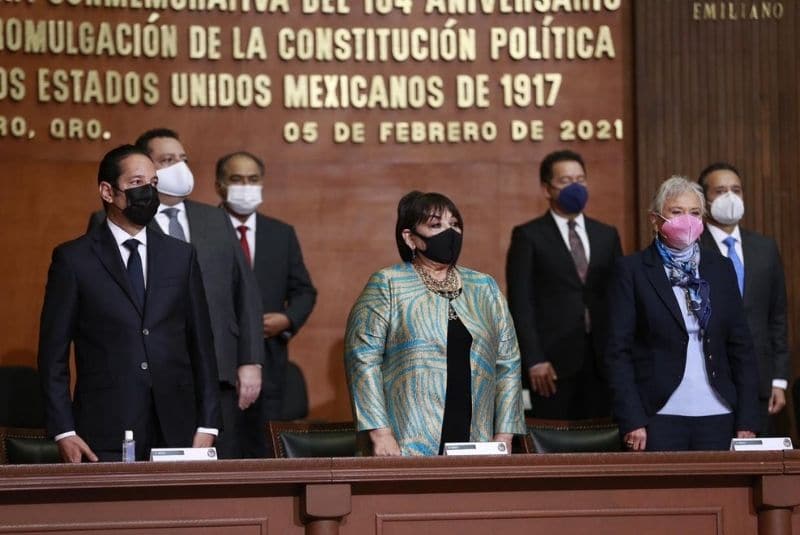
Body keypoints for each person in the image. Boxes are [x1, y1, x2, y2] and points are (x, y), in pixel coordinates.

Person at [88, 129, 264, 459]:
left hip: (218, 369)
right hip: (152, 372)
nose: (179, 168)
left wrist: (250, 359)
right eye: (167, 160)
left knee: (219, 468)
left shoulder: (216, 218)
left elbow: (246, 292)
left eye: (183, 159)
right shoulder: (112, 221)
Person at [38, 144, 221, 462]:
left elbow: (202, 347)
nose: (148, 193)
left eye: (152, 184)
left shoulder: (181, 256)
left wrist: (208, 423)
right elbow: (53, 355)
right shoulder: (74, 259)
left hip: (179, 428)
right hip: (103, 428)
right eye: (137, 184)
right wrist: (63, 430)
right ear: (108, 191)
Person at [344, 191, 525, 456]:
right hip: (405, 439)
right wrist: (380, 433)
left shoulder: (484, 287)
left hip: (477, 439)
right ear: (410, 238)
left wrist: (504, 436)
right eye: (435, 225)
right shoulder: (389, 283)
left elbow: (508, 364)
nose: (449, 232)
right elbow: (362, 359)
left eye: (454, 224)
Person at [606, 176, 760, 451]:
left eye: (695, 213)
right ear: (656, 220)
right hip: (658, 414)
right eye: (677, 212)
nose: (687, 220)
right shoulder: (632, 271)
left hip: (719, 412)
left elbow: (741, 347)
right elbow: (618, 352)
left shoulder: (720, 268)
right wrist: (632, 419)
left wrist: (747, 418)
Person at [506, 150, 622, 419]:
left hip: (602, 360)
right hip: (552, 365)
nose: (575, 187)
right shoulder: (528, 235)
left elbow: (619, 297)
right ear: (547, 189)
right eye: (566, 180)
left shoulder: (607, 234)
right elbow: (521, 303)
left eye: (580, 180)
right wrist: (533, 359)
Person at [215, 151, 317, 446]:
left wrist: (287, 319)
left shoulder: (281, 233)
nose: (246, 186)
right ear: (219, 185)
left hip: (269, 361)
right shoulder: (203, 228)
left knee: (265, 449)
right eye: (237, 179)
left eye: (253, 179)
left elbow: (304, 290)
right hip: (219, 362)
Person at [697, 162, 790, 435]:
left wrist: (779, 379)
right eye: (721, 190)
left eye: (735, 190)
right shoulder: (692, 248)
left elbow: (777, 317)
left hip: (760, 381)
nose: (730, 197)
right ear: (704, 199)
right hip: (709, 379)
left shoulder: (765, 248)